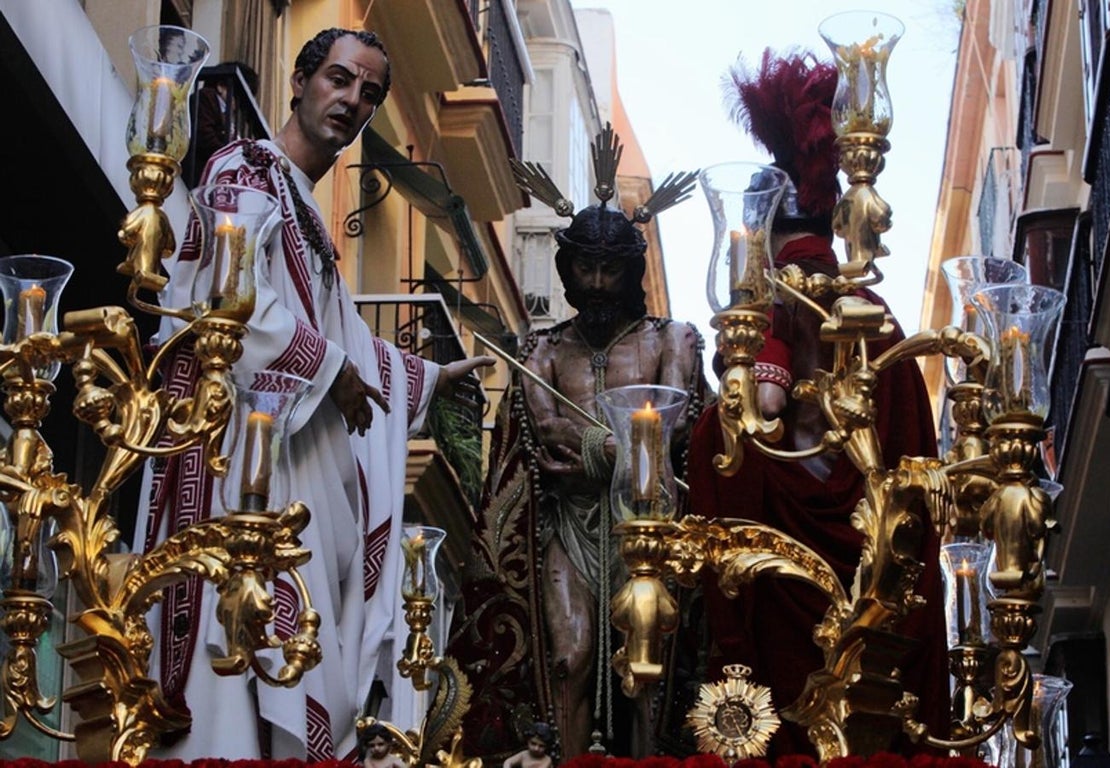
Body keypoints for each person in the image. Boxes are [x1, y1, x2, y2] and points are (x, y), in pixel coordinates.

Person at [137, 28, 493, 760]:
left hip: (303, 466)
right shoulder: (245, 170)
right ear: (300, 82)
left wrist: (423, 377)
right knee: (242, 640)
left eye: (370, 93)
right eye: (339, 79)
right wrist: (333, 371)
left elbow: (343, 340)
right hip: (244, 455)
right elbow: (231, 301)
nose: (352, 100)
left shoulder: (310, 221)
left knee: (304, 645)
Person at [688, 50, 949, 757]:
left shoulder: (768, 321)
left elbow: (746, 426)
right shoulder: (883, 330)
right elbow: (916, 490)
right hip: (880, 605)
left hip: (781, 607)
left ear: (759, 240)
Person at [448, 134, 708, 761]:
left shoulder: (671, 339)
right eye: (584, 269)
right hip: (572, 524)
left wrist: (597, 447)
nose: (595, 284)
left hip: (648, 526)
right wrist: (617, 444)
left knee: (647, 666)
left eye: (609, 270)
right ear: (567, 271)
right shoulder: (542, 349)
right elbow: (546, 429)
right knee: (569, 656)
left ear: (630, 272)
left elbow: (672, 423)